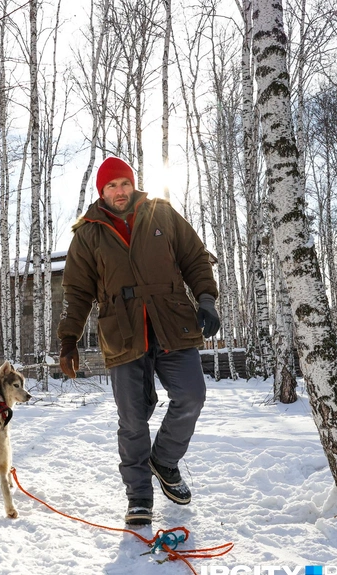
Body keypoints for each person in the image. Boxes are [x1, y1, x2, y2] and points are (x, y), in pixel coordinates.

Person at [57, 156, 220, 527]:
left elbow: (195, 258)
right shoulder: (88, 233)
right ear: (102, 192)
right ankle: (139, 497)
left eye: (124, 184)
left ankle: (164, 460)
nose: (119, 191)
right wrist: (69, 339)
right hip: (123, 333)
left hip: (172, 324)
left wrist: (206, 298)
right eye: (111, 186)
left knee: (192, 396)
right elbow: (77, 292)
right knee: (132, 420)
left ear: (133, 185)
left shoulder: (161, 214)